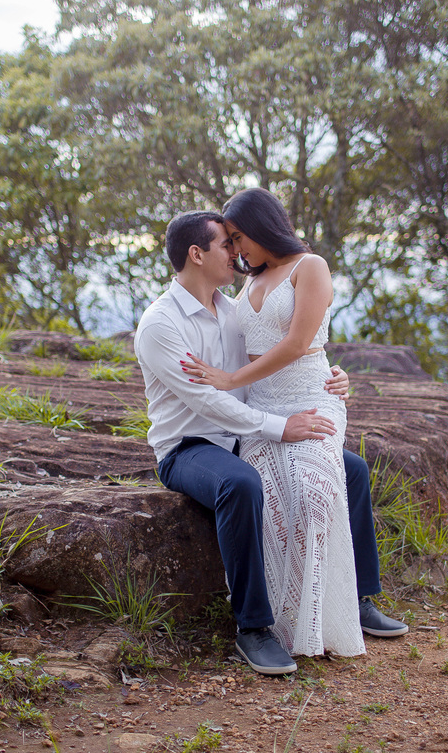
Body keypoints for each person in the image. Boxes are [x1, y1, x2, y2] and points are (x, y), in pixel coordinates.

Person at [134, 206, 407, 677]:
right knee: (240, 486)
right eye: (227, 243)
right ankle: (253, 628)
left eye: (238, 240)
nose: (236, 252)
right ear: (197, 254)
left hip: (244, 430)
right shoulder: (161, 324)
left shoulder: (231, 309)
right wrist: (282, 428)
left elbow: (285, 348)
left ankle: (356, 598)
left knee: (352, 469)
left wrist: (331, 373)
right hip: (189, 445)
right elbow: (208, 403)